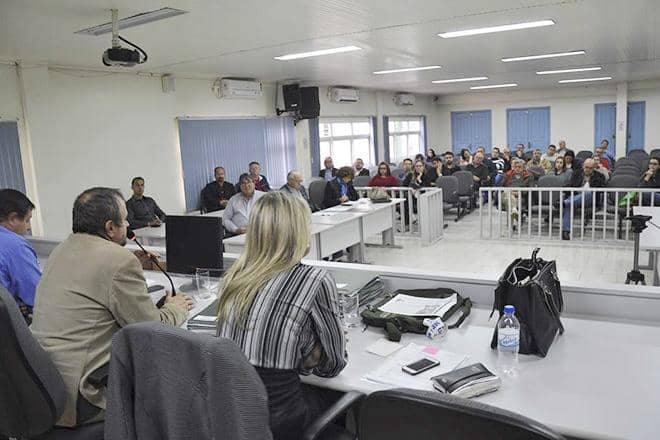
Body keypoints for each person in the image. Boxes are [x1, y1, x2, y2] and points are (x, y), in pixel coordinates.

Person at [31, 187, 193, 427]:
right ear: (110, 228)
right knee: (178, 388)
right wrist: (176, 307)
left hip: (41, 387)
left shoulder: (60, 250)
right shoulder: (118, 260)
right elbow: (151, 330)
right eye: (125, 219)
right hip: (83, 395)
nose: (128, 224)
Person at [217, 192, 346, 439]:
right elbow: (333, 366)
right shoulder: (315, 280)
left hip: (235, 420)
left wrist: (298, 348)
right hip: (283, 423)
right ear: (298, 232)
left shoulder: (233, 278)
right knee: (346, 400)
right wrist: (309, 353)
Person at [0, 189, 41, 322]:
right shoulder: (15, 245)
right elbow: (37, 296)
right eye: (27, 220)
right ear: (12, 219)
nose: (28, 227)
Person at [561, 159, 606, 240]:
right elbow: (569, 185)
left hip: (590, 199)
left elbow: (602, 189)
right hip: (576, 197)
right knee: (569, 205)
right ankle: (565, 232)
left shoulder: (599, 176)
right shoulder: (576, 174)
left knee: (587, 193)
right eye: (586, 167)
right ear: (583, 166)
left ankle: (564, 202)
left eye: (590, 168)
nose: (588, 170)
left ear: (594, 167)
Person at [501, 159, 533, 225]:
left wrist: (519, 193)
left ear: (524, 168)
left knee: (509, 201)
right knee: (508, 196)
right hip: (506, 194)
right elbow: (501, 187)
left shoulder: (529, 176)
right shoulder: (508, 174)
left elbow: (530, 189)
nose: (517, 168)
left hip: (520, 197)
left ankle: (512, 223)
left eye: (519, 167)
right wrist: (510, 192)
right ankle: (514, 211)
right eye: (516, 167)